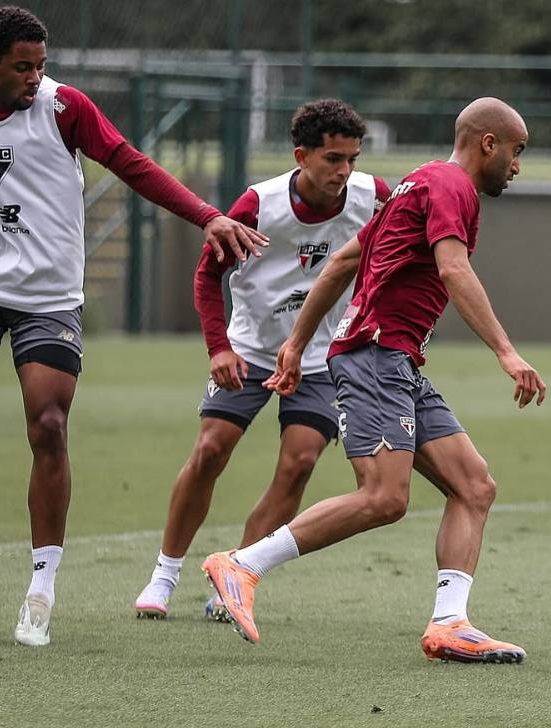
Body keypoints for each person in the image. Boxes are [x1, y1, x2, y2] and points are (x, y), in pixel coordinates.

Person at [0, 5, 266, 647]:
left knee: (47, 424)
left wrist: (206, 215)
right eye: (23, 67)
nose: (36, 78)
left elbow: (130, 163)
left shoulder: (63, 107)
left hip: (48, 294)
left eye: (42, 65)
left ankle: (41, 587)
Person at [202, 97, 546, 664]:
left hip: (394, 360)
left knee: (474, 486)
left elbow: (340, 264)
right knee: (385, 498)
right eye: (516, 151)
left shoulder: (416, 185)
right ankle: (242, 564)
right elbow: (454, 268)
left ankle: (449, 624)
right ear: (489, 143)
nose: (516, 165)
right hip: (377, 356)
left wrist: (294, 344)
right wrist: (507, 353)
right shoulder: (452, 187)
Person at [133, 99, 390, 620]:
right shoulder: (259, 204)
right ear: (301, 155)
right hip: (250, 349)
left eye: (352, 160)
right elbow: (208, 277)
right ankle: (164, 574)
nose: (344, 172)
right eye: (332, 159)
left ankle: (236, 579)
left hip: (322, 355)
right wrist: (219, 348)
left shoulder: (373, 197)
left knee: (298, 464)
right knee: (211, 450)